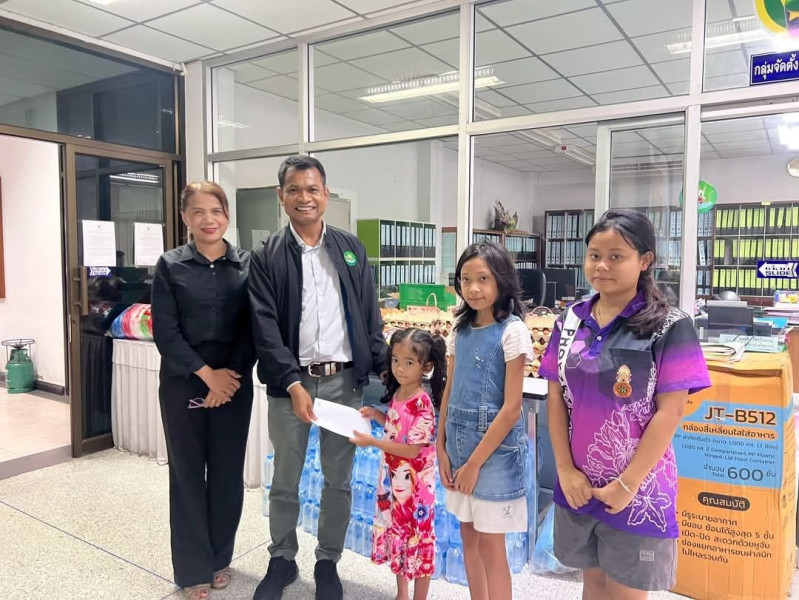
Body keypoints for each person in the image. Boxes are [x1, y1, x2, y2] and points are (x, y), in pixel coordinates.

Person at [539, 208, 711, 599]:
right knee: (593, 581)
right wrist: (564, 470)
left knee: (626, 591)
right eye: (594, 255)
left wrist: (628, 484)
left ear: (645, 260)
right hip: (579, 483)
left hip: (637, 489)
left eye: (616, 256)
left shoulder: (670, 325)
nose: (601, 266)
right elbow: (556, 395)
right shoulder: (570, 320)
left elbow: (671, 412)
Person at [249, 155, 388, 600]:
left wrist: (387, 373)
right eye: (294, 189)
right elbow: (264, 327)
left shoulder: (349, 248)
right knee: (285, 478)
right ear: (281, 196)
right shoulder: (266, 256)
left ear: (326, 194)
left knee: (338, 480)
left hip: (343, 384)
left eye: (312, 189)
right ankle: (282, 558)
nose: (304, 198)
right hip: (289, 385)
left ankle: (328, 561)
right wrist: (291, 383)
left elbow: (369, 316)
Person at [151, 181, 254, 600]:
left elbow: (254, 328)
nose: (208, 219)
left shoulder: (247, 264)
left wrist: (227, 379)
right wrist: (207, 376)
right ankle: (193, 569)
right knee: (187, 474)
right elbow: (166, 331)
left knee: (227, 474)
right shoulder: (169, 265)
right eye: (198, 211)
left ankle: (219, 558)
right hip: (183, 382)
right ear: (185, 218)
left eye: (216, 211)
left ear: (227, 215)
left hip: (234, 383)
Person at [436, 242, 533, 600]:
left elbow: (511, 408)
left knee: (492, 547)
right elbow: (448, 390)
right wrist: (440, 446)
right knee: (469, 538)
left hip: (494, 454)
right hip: (458, 445)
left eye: (483, 279)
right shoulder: (459, 330)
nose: (473, 288)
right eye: (466, 279)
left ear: (501, 280)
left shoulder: (512, 331)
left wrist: (475, 464)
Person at [351, 328, 447, 600]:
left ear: (426, 366)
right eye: (395, 360)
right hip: (394, 482)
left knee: (418, 539)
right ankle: (402, 592)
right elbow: (398, 429)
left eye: (409, 362)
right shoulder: (400, 394)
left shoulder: (422, 402)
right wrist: (378, 416)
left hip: (415, 490)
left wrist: (373, 442)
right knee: (399, 534)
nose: (400, 368)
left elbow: (412, 449)